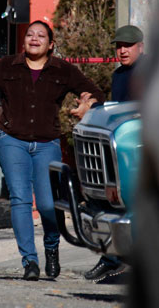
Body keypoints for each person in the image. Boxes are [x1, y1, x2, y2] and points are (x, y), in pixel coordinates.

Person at [0, 20, 105, 281]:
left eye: (41, 35)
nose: (34, 38)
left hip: (47, 143)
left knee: (46, 203)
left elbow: (94, 92)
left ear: (50, 44)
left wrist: (90, 103)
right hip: (11, 140)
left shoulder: (62, 70)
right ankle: (29, 261)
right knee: (20, 199)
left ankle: (51, 246)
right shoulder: (7, 65)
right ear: (24, 41)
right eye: (30, 34)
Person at [71, 24, 144, 281]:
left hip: (137, 148)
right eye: (119, 46)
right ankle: (111, 257)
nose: (122, 50)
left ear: (141, 47)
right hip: (118, 149)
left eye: (128, 46)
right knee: (106, 202)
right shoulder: (118, 74)